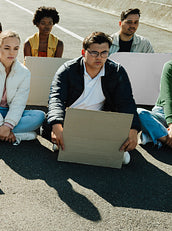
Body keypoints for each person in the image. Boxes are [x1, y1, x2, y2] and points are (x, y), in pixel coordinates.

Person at [45, 32, 140, 163]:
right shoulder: (67, 70)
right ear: (83, 52)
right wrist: (56, 125)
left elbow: (127, 102)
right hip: (72, 120)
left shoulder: (117, 71)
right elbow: (56, 99)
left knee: (125, 160)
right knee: (58, 136)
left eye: (104, 53)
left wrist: (133, 129)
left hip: (101, 121)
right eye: (94, 53)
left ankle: (78, 145)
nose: (99, 57)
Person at [0, 31, 45, 145]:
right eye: (7, 48)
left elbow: (19, 103)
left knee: (39, 116)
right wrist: (1, 124)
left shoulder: (24, 72)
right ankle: (17, 135)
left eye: (16, 48)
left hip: (9, 112)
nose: (12, 52)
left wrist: (8, 124)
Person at [137, 60, 172, 148]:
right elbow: (167, 98)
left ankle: (155, 136)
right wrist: (171, 125)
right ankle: (166, 139)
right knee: (139, 113)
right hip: (163, 113)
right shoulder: (169, 66)